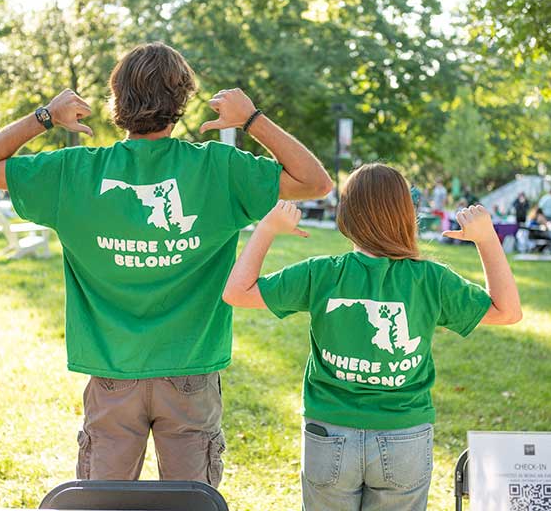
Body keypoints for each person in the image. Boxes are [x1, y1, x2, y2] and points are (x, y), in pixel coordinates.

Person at [0, 42, 332, 483]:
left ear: (116, 100)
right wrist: (253, 120)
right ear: (183, 101)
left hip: (113, 373)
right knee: (192, 502)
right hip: (191, 370)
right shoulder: (218, 167)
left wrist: (44, 117)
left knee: (105, 502)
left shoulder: (75, 172)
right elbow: (315, 182)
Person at [222, 164, 521, 511]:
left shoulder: (321, 273)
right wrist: (487, 239)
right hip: (403, 435)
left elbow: (237, 292)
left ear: (345, 216)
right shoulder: (430, 279)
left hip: (329, 432)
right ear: (408, 215)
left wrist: (267, 228)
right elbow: (508, 311)